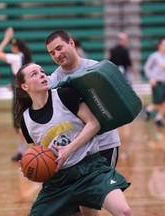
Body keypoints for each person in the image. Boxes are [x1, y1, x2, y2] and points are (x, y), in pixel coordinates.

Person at [15, 62, 132, 216]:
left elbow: (94, 123)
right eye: (34, 74)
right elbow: (40, 152)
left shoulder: (65, 95)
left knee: (124, 211)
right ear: (25, 86)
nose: (42, 75)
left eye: (42, 71)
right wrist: (29, 167)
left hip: (89, 169)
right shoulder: (26, 120)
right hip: (58, 181)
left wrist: (69, 149)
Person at [46, 30, 122, 216]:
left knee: (89, 204)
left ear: (71, 43)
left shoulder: (97, 70)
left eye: (59, 48)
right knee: (75, 209)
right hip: (73, 151)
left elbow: (117, 106)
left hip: (103, 145)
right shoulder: (54, 81)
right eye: (52, 53)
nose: (57, 55)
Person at [0, 27, 33, 161]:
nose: (11, 47)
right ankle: (22, 151)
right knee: (23, 124)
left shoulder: (16, 57)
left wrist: (6, 39)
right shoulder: (24, 58)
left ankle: (28, 152)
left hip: (20, 96)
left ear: (16, 47)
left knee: (19, 126)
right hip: (26, 93)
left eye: (12, 45)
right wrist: (14, 84)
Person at [142, 38, 165, 127]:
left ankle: (158, 119)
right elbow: (146, 68)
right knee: (158, 102)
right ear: (159, 46)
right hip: (157, 82)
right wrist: (151, 78)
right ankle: (148, 110)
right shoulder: (154, 56)